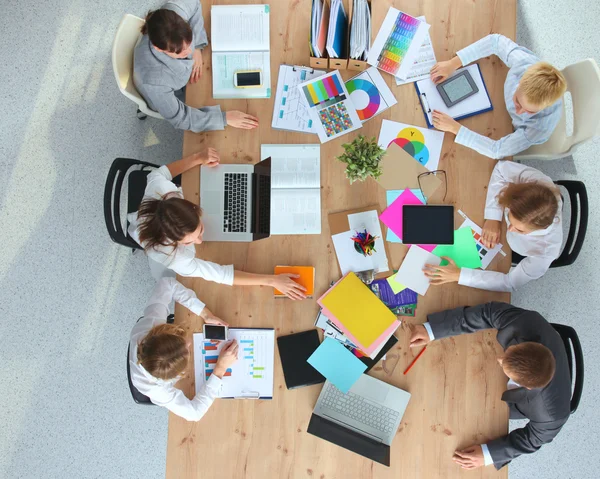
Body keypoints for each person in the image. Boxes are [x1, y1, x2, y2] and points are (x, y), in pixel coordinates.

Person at [127, 148, 307, 300]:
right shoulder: (175, 258)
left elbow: (159, 173)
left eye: (200, 230)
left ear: (194, 207)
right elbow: (221, 274)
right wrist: (272, 281)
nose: (200, 242)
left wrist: (197, 158)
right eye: (189, 242)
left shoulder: (161, 189)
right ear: (174, 242)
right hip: (145, 232)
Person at [408, 302, 571, 470]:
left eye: (505, 368)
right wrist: (433, 330)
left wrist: (488, 454)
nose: (499, 359)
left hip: (516, 404)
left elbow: (533, 440)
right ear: (525, 344)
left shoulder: (551, 415)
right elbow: (487, 313)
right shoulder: (526, 322)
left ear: (525, 386)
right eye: (508, 352)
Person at [424, 161, 562, 292]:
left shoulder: (544, 254)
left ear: (539, 229)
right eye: (509, 217)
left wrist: (459, 275)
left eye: (520, 230)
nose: (509, 229)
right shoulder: (536, 182)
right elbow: (501, 169)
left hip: (512, 250)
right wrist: (493, 217)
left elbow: (510, 283)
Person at [429, 34, 567, 159]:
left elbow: (496, 150)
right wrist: (454, 63)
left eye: (530, 111)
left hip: (519, 133)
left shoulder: (536, 129)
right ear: (520, 80)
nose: (518, 112)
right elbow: (495, 41)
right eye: (518, 102)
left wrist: (455, 128)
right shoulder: (525, 63)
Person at [133, 0, 259, 132]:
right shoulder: (155, 82)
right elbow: (180, 118)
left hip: (186, 77)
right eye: (180, 52)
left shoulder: (173, 17)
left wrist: (197, 47)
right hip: (173, 95)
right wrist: (224, 118)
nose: (188, 52)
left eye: (189, 43)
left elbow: (194, 3)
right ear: (159, 49)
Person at [129, 277, 238, 421]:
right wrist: (220, 369)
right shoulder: (157, 390)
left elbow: (167, 283)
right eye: (188, 350)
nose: (189, 343)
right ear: (177, 374)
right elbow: (195, 414)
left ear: (161, 332)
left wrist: (206, 314)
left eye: (182, 341)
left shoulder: (152, 323)